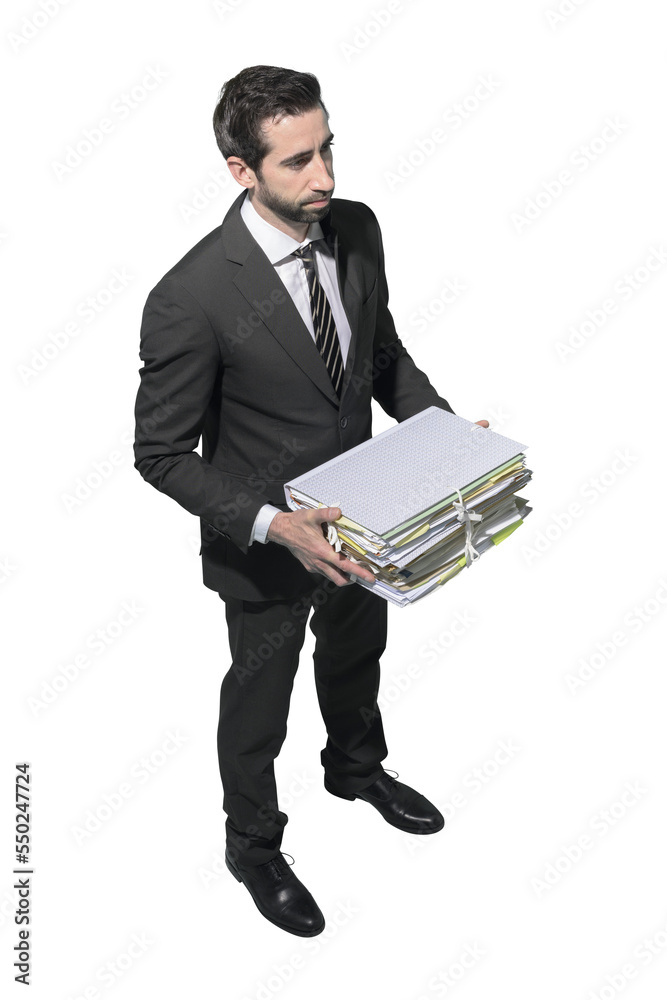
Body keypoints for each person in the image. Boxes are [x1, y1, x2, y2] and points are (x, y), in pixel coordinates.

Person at [133, 64, 487, 937]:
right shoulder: (191, 296)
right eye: (296, 161)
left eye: (326, 148)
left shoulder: (356, 229)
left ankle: (356, 768)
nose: (324, 176)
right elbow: (160, 454)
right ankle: (252, 845)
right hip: (266, 546)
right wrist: (272, 524)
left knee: (356, 656)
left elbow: (382, 361)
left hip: (370, 518)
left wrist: (446, 440)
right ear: (240, 169)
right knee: (259, 703)